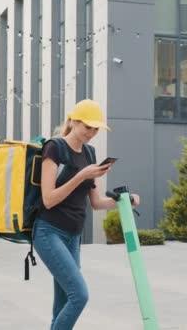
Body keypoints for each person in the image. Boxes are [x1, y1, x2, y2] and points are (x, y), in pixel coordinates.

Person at [33, 99, 139, 329]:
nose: (92, 133)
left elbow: (97, 203)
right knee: (79, 295)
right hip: (48, 232)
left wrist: (124, 201)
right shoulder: (55, 148)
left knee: (62, 303)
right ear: (74, 122)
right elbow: (48, 199)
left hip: (73, 236)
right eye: (87, 127)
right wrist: (82, 175)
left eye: (96, 128)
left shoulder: (90, 154)